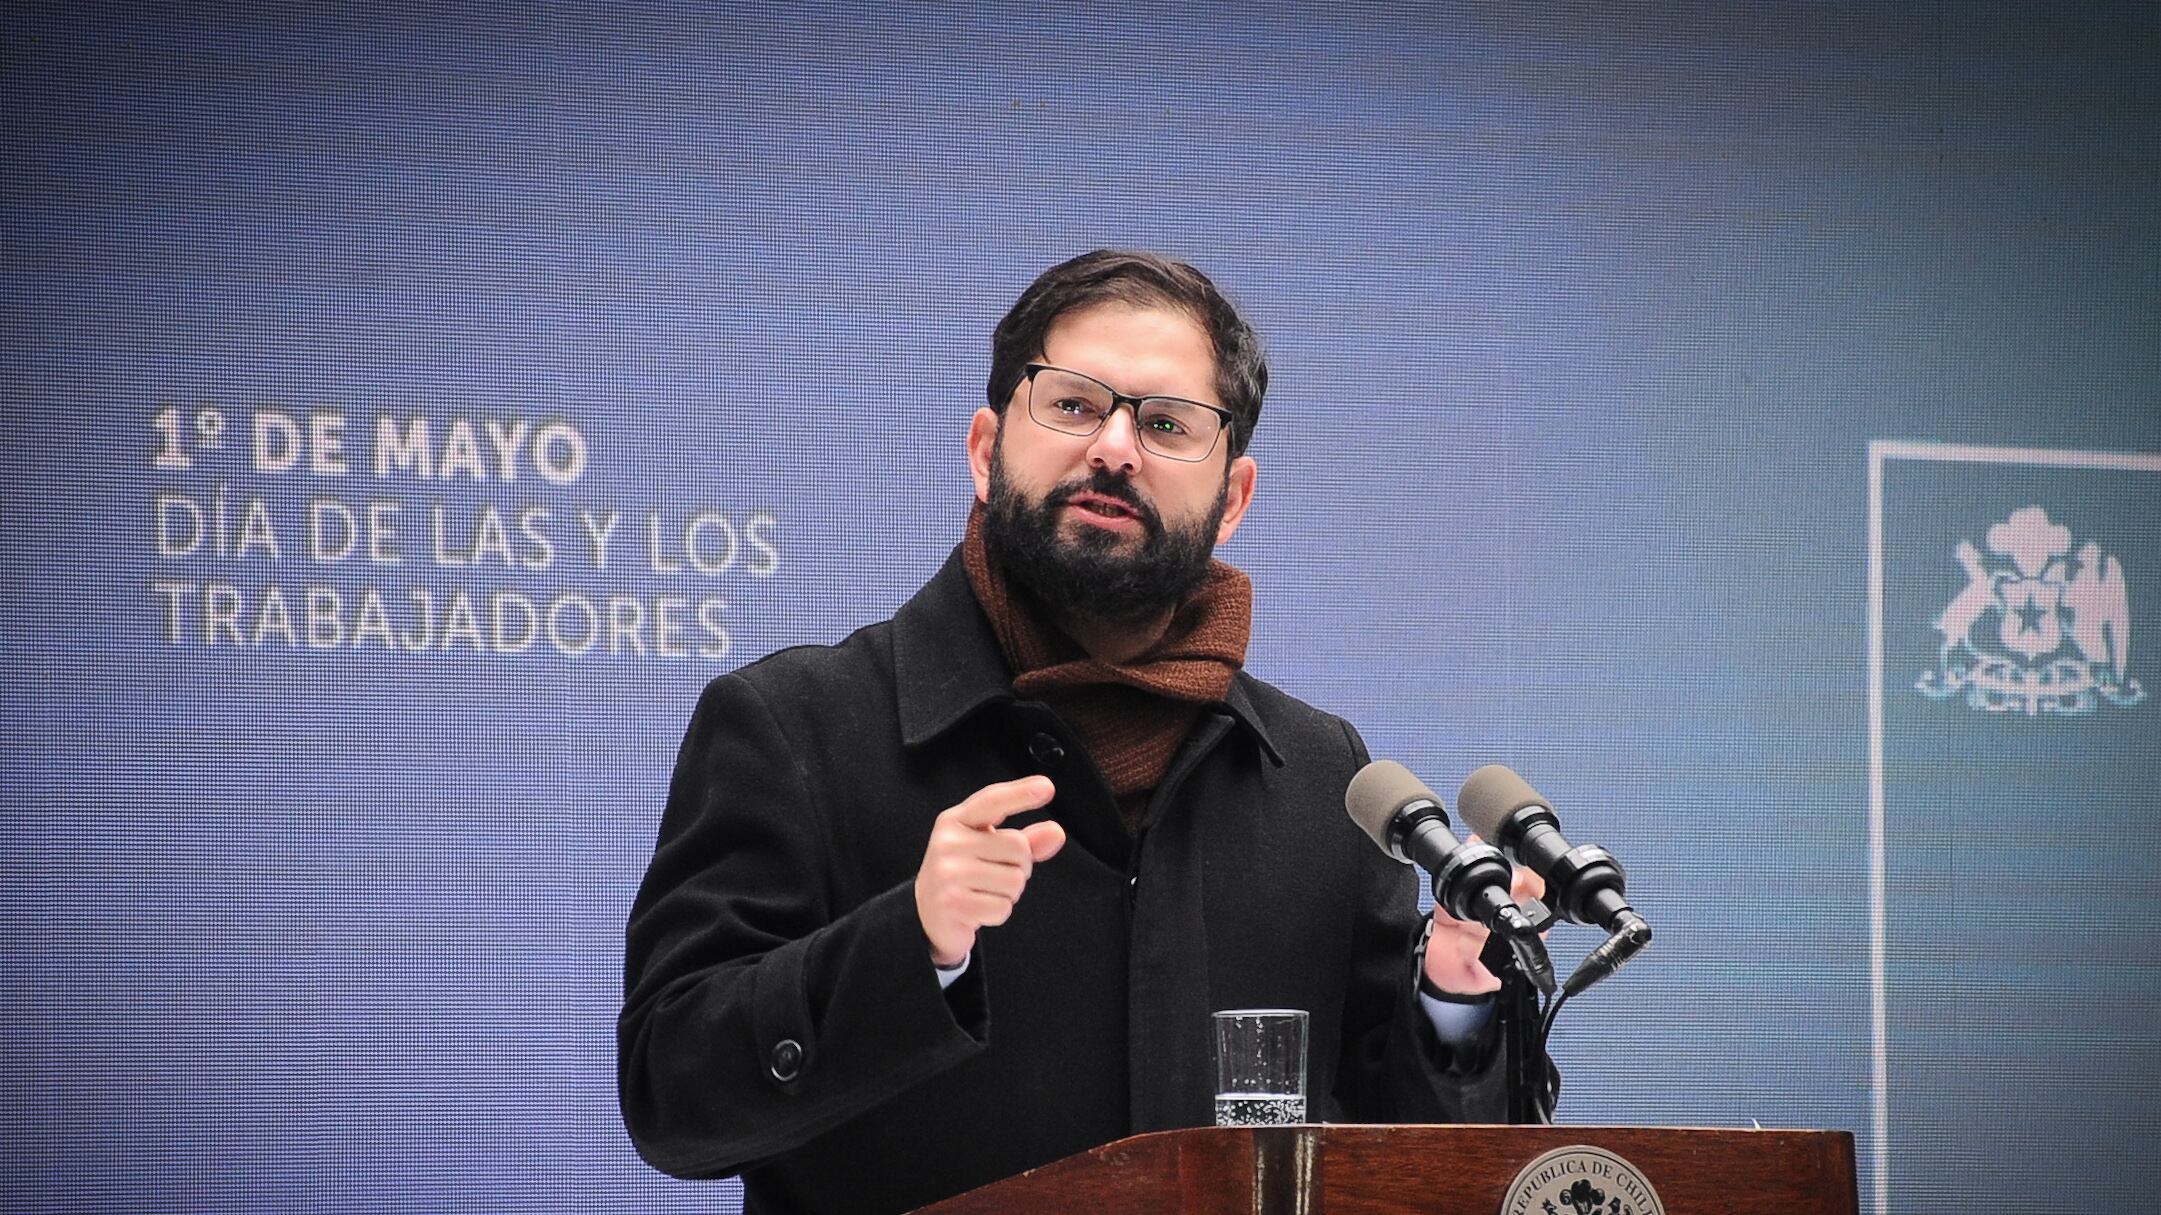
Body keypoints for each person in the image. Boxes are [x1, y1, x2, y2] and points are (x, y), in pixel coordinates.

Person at [618, 250, 1549, 1214]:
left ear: (1232, 499)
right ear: (985, 451)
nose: (1113, 447)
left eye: (1164, 423)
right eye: (1070, 404)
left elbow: (1403, 1160)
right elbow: (670, 1097)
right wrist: (913, 945)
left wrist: (1452, 993)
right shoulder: (795, 725)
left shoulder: (1323, 777)